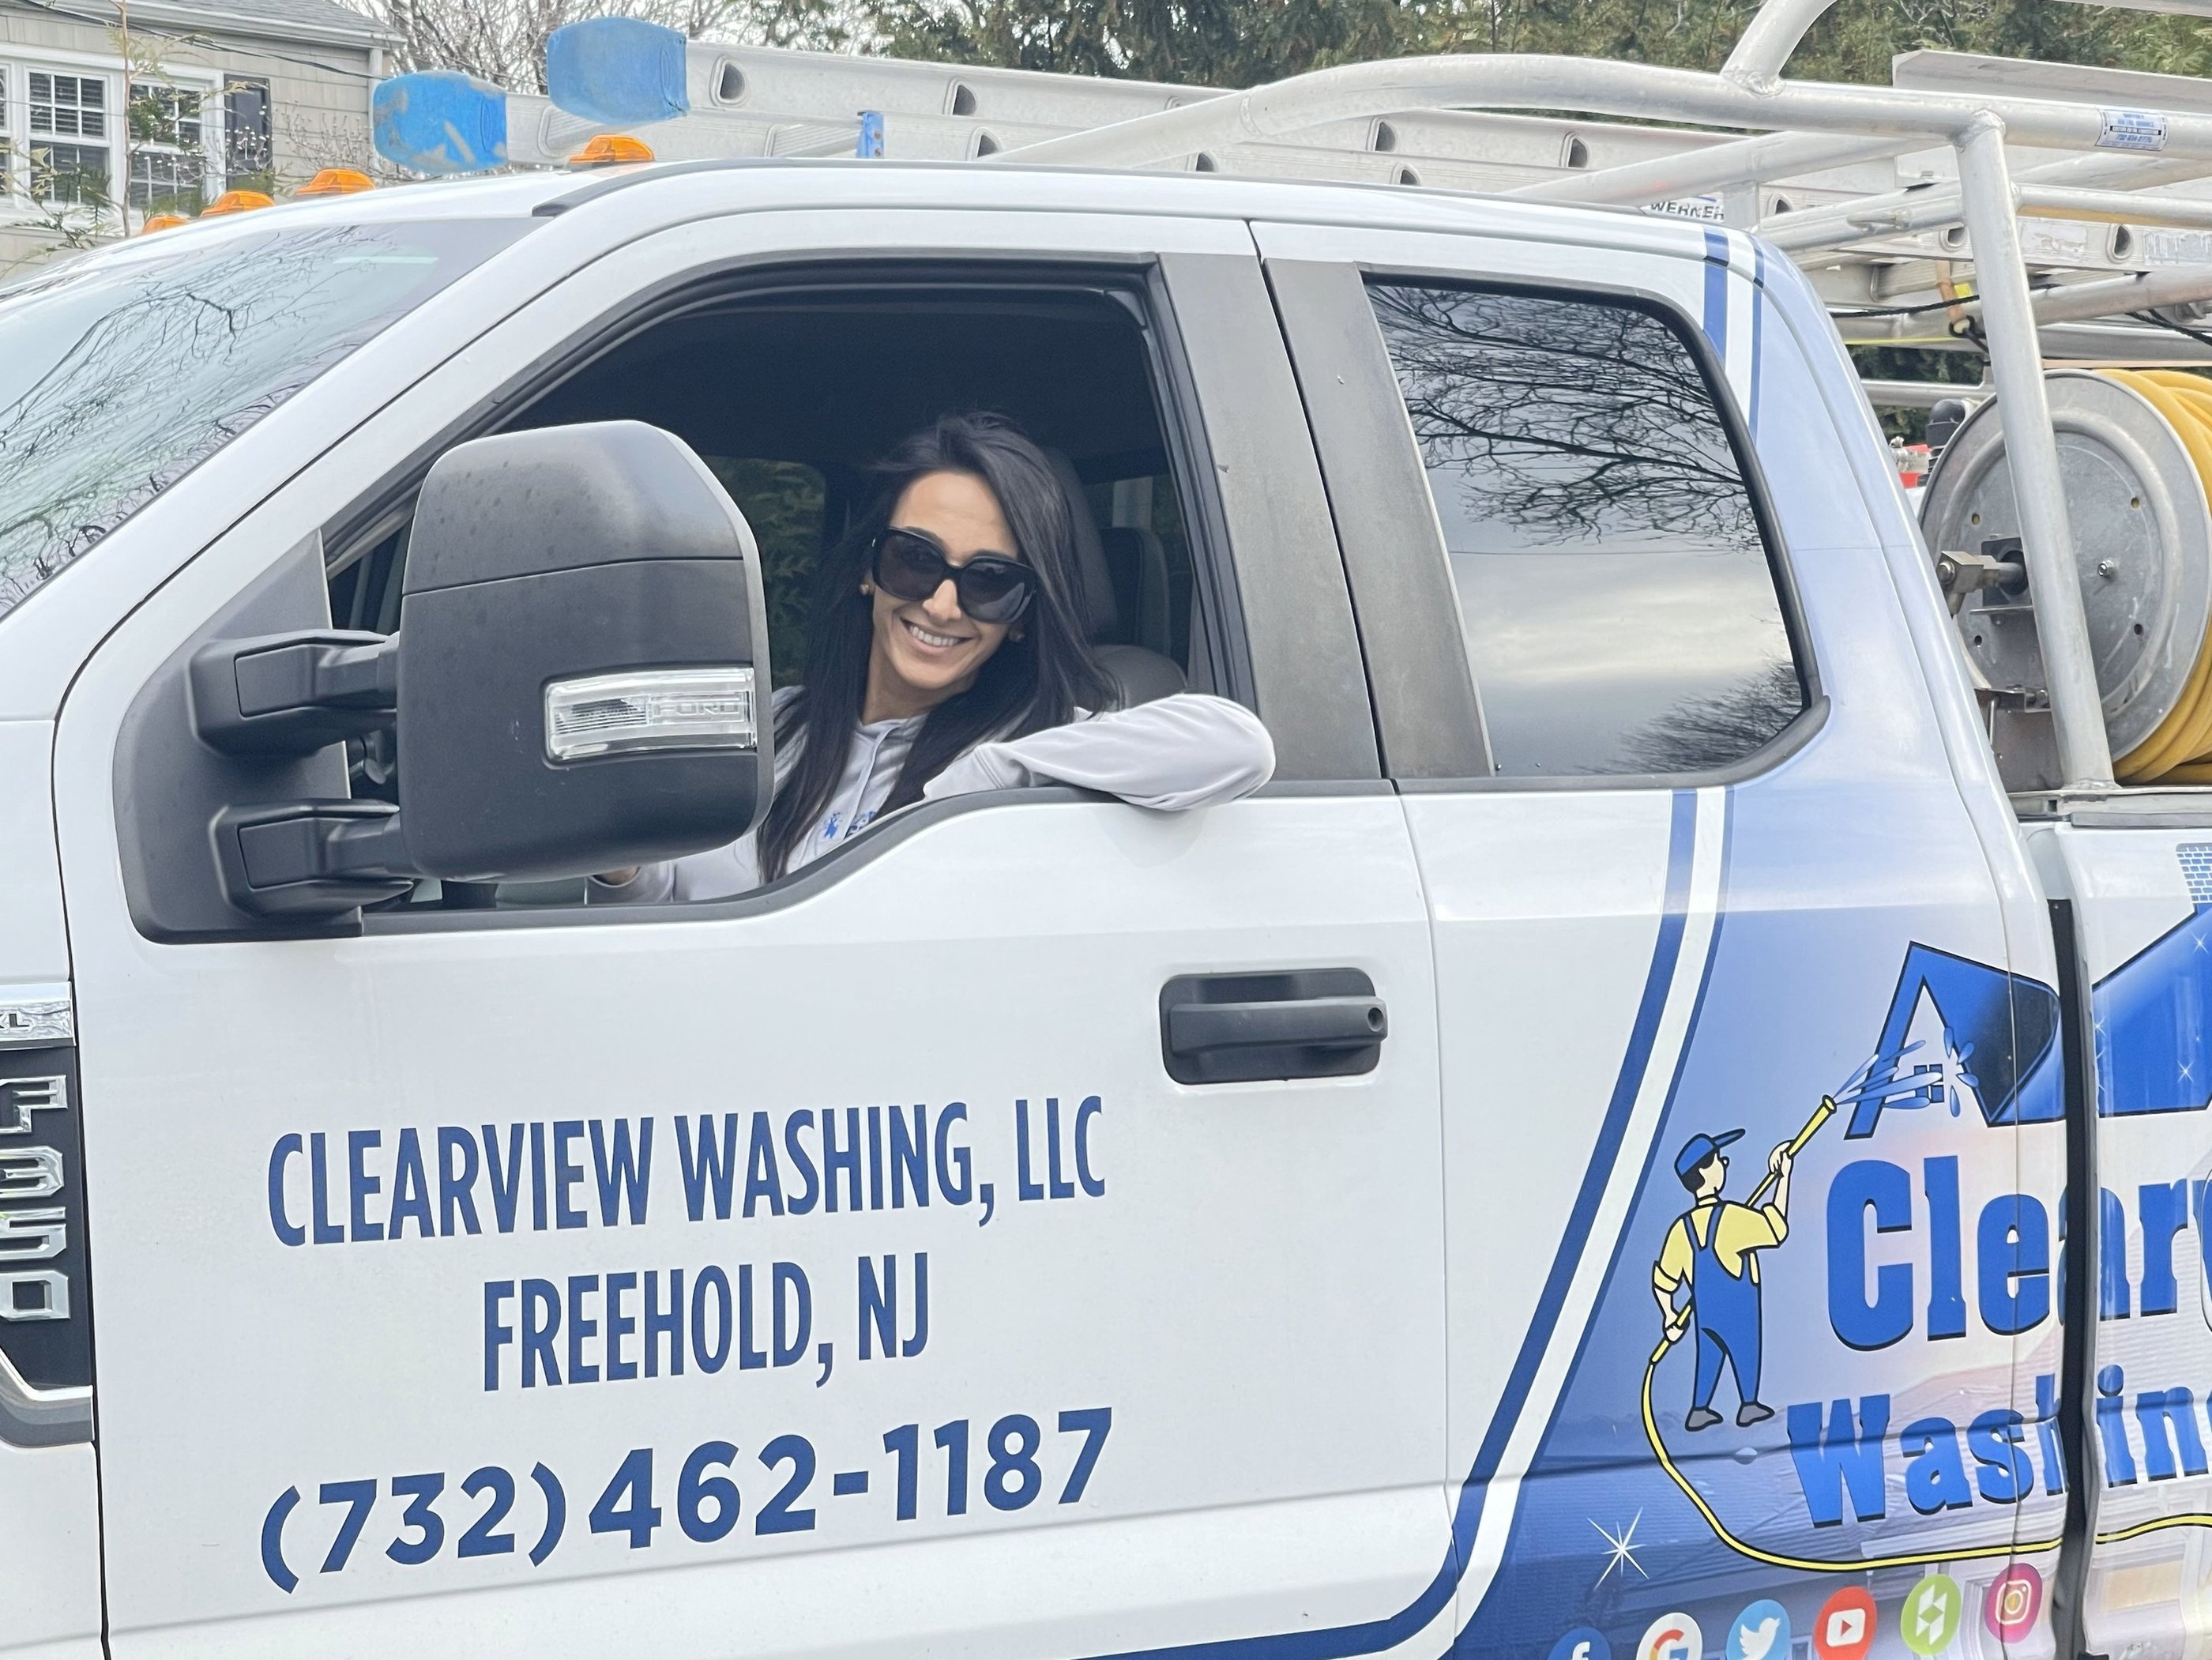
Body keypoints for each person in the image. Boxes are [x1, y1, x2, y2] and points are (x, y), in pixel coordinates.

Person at [592, 412, 1273, 904]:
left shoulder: (1041, 750)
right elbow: (667, 901)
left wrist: (987, 775)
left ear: (1022, 616)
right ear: (868, 570)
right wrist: (623, 866)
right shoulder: (771, 730)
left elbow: (1238, 745)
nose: (944, 605)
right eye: (916, 560)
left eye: (990, 581)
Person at [1651, 1127, 1795, 1432]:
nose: (1724, 1164)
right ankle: (1748, 1405)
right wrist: (1783, 1178)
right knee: (1746, 1352)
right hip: (1739, 1314)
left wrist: (1670, 1315)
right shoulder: (1731, 1218)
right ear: (1705, 1171)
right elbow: (1776, 1230)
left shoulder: (1681, 1229)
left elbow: (1663, 1281)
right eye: (1720, 1160)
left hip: (1706, 1318)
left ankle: (1699, 1409)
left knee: (1709, 1359)